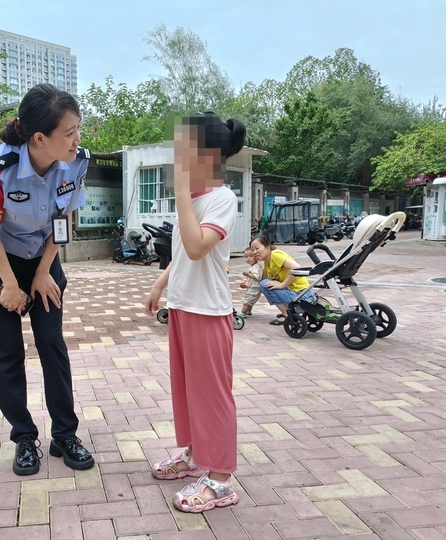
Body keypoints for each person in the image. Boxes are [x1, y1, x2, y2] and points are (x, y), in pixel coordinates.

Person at [0, 83, 94, 476]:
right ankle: (24, 437)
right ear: (40, 138)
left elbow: (63, 220)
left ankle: (65, 434)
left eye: (79, 130)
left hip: (43, 254)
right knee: (7, 349)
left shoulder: (76, 162)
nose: (77, 140)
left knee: (51, 342)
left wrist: (43, 272)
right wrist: (10, 284)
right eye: (69, 133)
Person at [145, 112, 246, 513]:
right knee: (187, 393)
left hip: (208, 312)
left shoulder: (221, 199)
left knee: (213, 397)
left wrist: (184, 194)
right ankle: (192, 455)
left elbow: (197, 246)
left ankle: (220, 479)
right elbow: (182, 257)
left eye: (184, 149)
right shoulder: (195, 198)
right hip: (183, 307)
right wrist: (159, 285)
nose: (177, 157)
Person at [249, 236, 316, 325]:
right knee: (265, 284)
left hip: (302, 295)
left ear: (267, 247)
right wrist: (247, 283)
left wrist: (282, 285)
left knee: (265, 284)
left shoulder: (275, 255)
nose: (255, 252)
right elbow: (262, 280)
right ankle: (288, 313)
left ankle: (287, 315)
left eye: (257, 248)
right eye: (252, 250)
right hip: (296, 294)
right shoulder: (266, 264)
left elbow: (297, 268)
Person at [238, 248, 262, 317]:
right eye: (246, 257)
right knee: (250, 300)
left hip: (255, 287)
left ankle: (243, 313)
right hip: (252, 286)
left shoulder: (256, 267)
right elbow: (250, 278)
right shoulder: (252, 266)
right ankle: (248, 311)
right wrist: (246, 281)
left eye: (251, 256)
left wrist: (248, 274)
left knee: (248, 300)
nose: (248, 259)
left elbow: (257, 277)